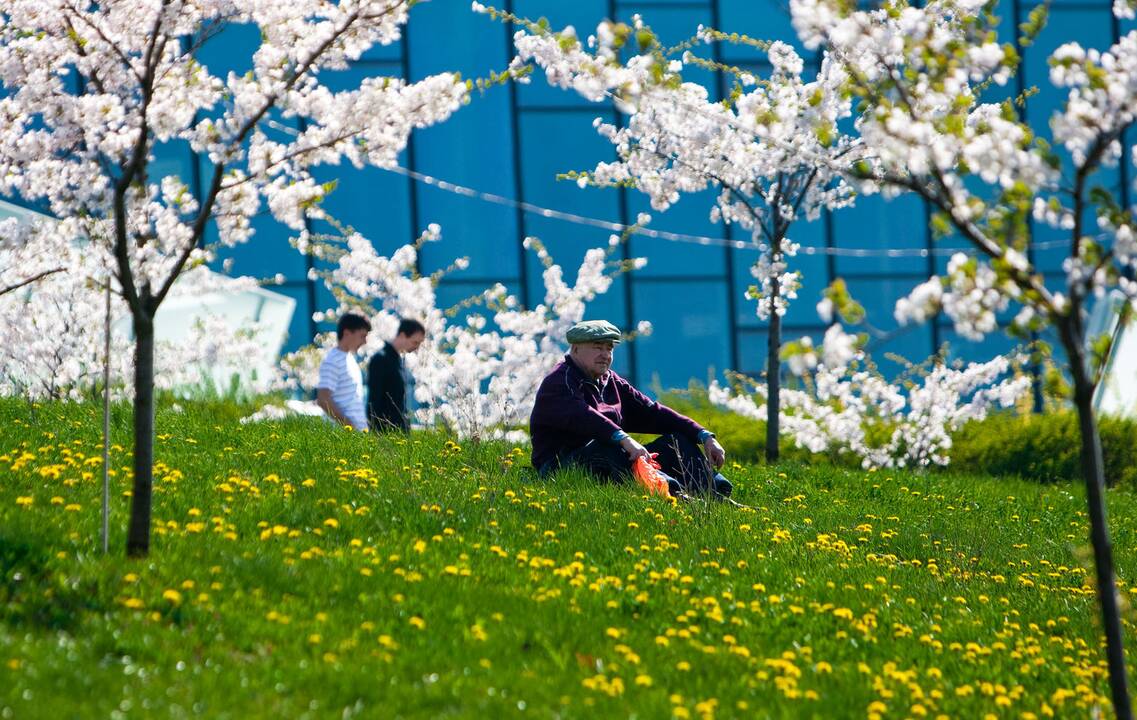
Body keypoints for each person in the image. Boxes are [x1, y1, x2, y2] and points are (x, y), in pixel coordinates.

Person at [529, 319, 733, 498]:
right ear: (575, 349)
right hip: (561, 467)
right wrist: (623, 439)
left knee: (676, 441)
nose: (605, 354)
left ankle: (714, 494)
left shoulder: (611, 381)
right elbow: (585, 417)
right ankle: (671, 494)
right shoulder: (559, 381)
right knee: (607, 444)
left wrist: (704, 435)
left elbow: (653, 412)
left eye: (609, 348)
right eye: (597, 347)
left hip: (608, 459)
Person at [367, 318, 426, 433]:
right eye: (415, 342)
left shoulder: (398, 361)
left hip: (397, 432)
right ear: (403, 335)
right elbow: (373, 401)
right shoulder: (381, 359)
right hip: (385, 433)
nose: (417, 347)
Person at [316, 313, 371, 431]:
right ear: (346, 333)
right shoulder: (332, 361)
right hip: (342, 435)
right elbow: (323, 399)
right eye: (362, 336)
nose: (365, 342)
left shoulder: (349, 358)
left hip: (355, 434)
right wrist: (349, 424)